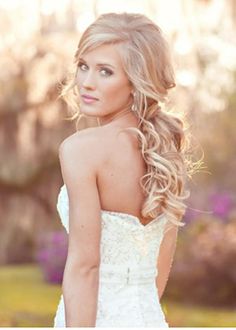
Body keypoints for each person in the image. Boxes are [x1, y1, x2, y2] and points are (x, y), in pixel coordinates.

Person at [53, 12, 197, 327]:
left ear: (136, 81)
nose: (86, 83)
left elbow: (85, 267)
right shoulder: (165, 150)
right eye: (83, 66)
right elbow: (160, 264)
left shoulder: (80, 150)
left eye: (105, 71)